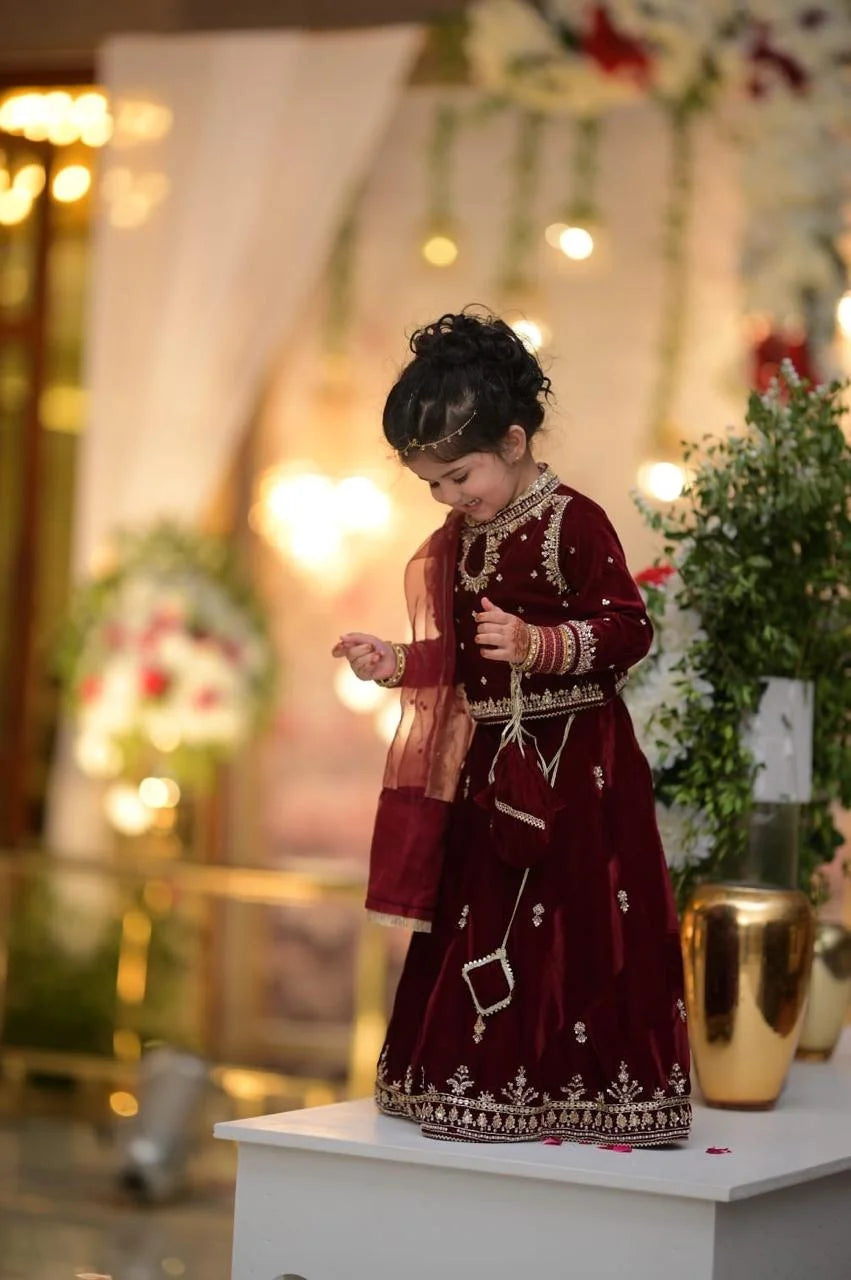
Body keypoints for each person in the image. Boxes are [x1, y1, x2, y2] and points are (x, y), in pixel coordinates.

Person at [332, 310, 691, 1146]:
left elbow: (629, 629)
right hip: (494, 764)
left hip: (578, 763)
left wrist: (540, 644)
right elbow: (460, 661)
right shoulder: (459, 541)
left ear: (516, 441)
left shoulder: (573, 521)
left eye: (459, 476)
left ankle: (585, 1095)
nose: (448, 498)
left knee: (575, 918)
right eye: (432, 485)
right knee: (482, 916)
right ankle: (478, 1086)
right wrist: (394, 661)